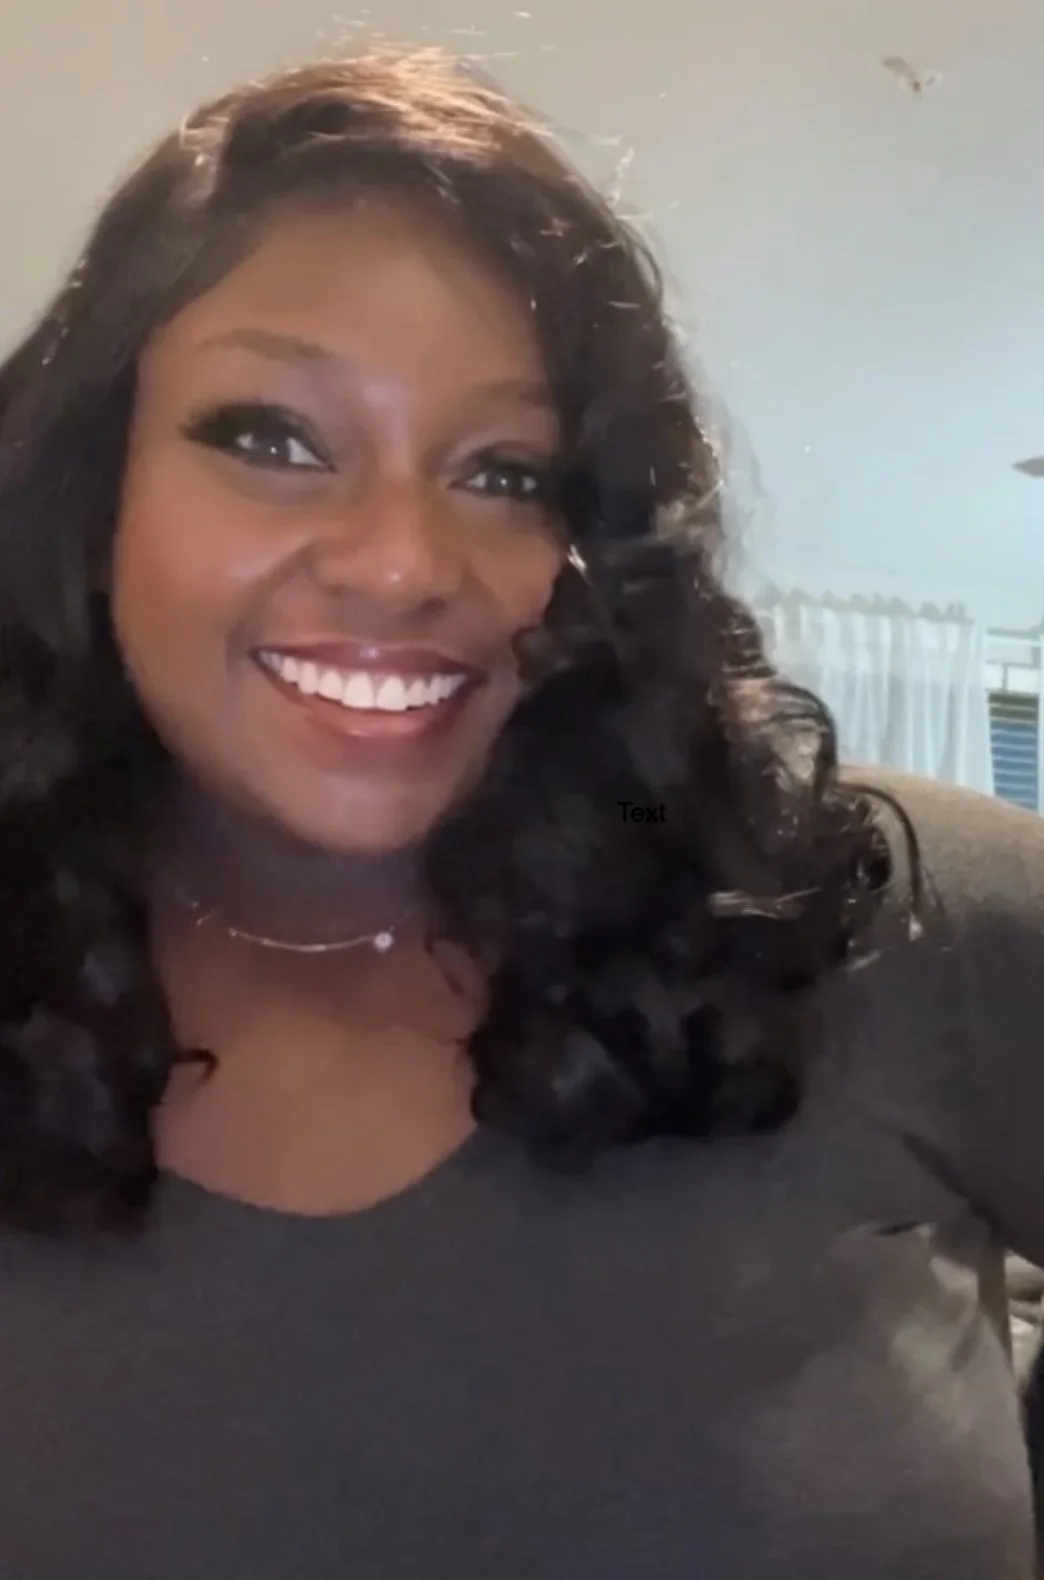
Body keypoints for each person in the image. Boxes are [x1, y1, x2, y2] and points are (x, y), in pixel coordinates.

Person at [0, 46, 1041, 1580]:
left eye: (506, 471)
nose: (406, 563)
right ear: (93, 499)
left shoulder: (894, 915)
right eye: (273, 438)